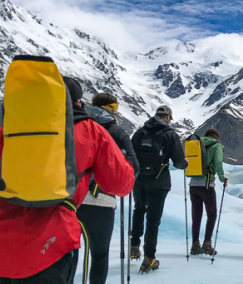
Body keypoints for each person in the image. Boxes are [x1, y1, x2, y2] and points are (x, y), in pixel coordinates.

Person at [0, 76, 135, 283]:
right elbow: (121, 184)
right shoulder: (91, 132)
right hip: (50, 247)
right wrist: (124, 161)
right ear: (77, 101)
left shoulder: (7, 133)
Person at [77, 93, 140, 284]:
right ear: (113, 108)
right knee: (99, 254)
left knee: (66, 253)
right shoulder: (117, 132)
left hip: (70, 198)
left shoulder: (76, 125)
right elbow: (134, 168)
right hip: (101, 200)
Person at [130, 105, 188, 274]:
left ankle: (134, 246)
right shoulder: (169, 134)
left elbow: (130, 155)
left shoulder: (140, 133)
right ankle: (149, 257)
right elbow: (178, 162)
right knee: (153, 220)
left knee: (139, 210)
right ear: (169, 116)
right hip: (159, 182)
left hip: (139, 180)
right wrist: (185, 163)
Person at [189, 128, 228, 256]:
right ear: (216, 137)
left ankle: (195, 245)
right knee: (211, 214)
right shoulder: (216, 146)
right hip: (207, 186)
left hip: (193, 185)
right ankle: (207, 243)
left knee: (196, 215)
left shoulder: (196, 144)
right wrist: (222, 178)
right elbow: (217, 163)